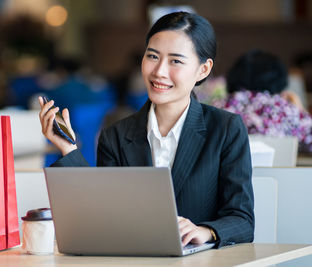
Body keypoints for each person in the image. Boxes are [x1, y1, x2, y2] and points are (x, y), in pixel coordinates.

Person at [39, 12, 254, 248]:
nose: (159, 71)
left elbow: (242, 220)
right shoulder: (116, 135)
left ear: (203, 70)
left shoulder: (225, 129)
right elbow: (102, 214)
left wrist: (204, 231)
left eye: (176, 61)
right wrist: (68, 149)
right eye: (152, 56)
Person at [217, 49, 312, 153]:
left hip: (227, 168)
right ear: (279, 78)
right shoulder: (286, 109)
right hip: (279, 168)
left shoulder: (221, 106)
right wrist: (301, 109)